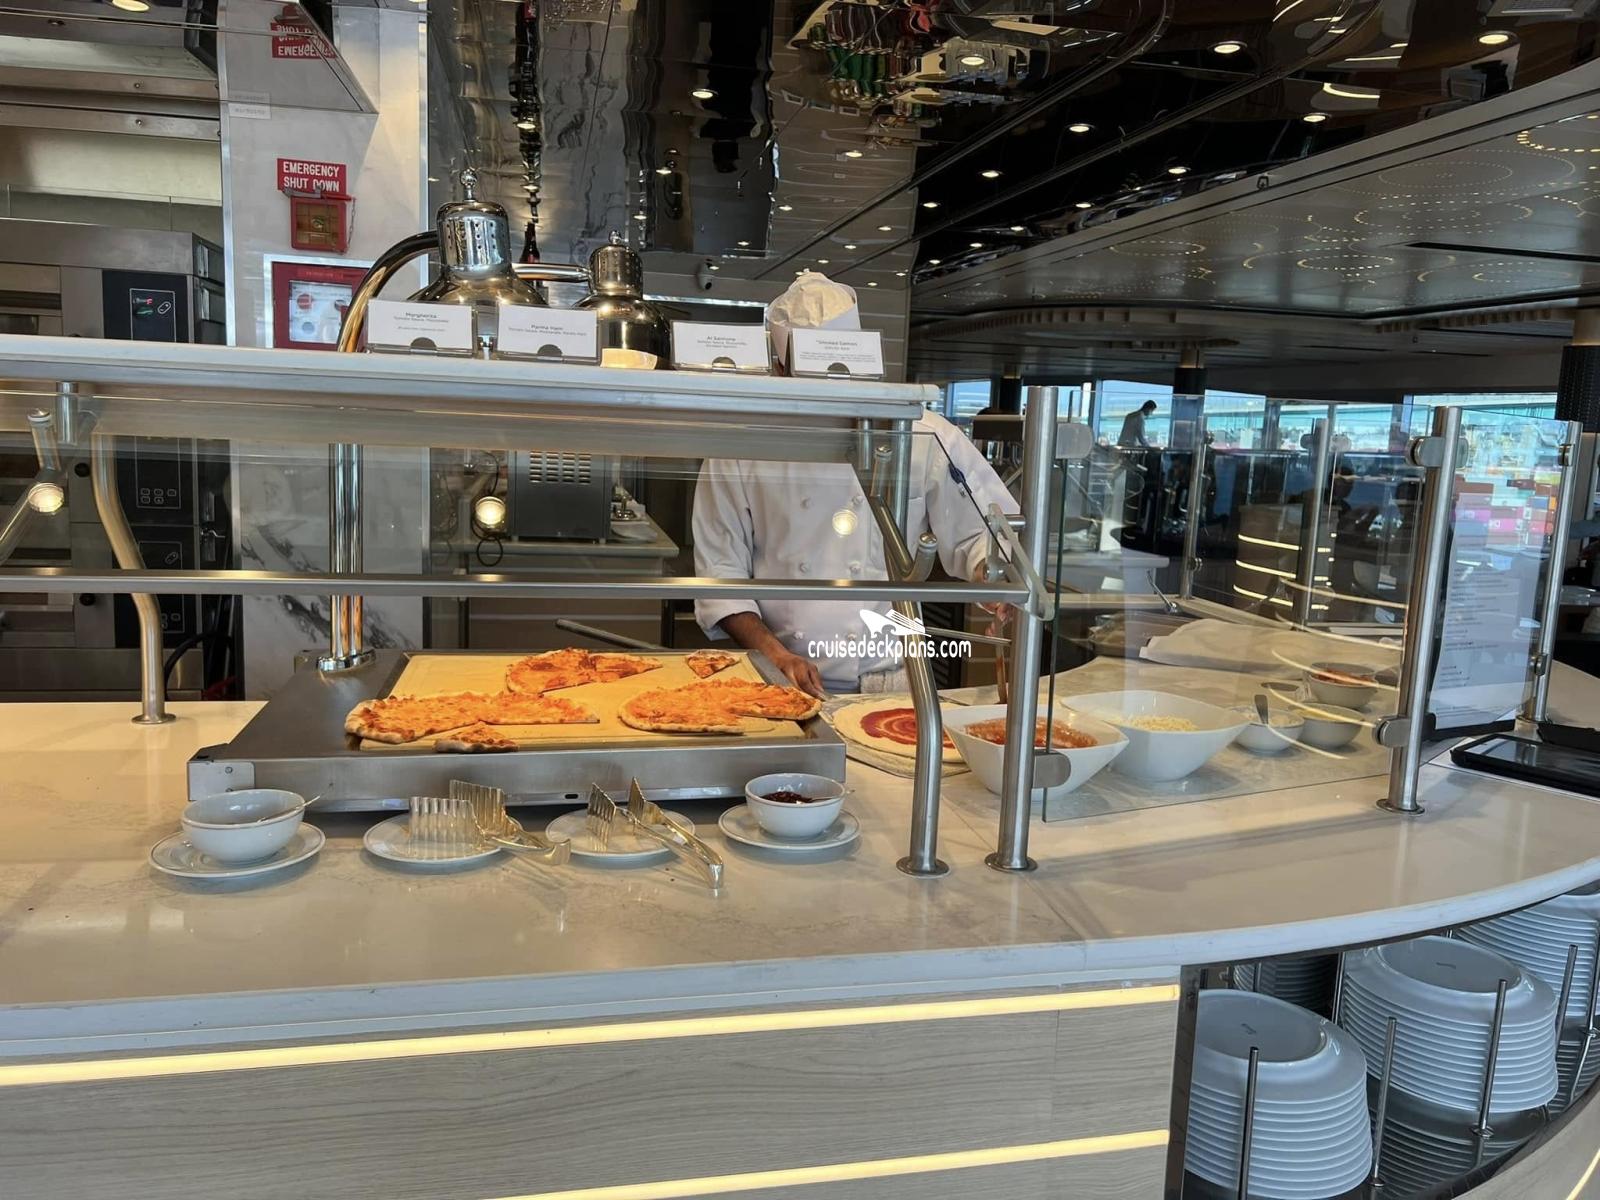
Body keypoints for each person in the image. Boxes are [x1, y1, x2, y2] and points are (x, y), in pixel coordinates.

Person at [693, 409, 1018, 696]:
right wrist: (775, 657)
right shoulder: (741, 439)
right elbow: (721, 576)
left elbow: (986, 533)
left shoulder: (925, 434)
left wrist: (992, 576)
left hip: (893, 679)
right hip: (783, 677)